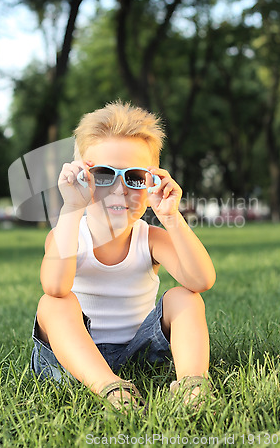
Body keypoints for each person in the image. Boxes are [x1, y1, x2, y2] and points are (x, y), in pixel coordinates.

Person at [31, 101, 216, 412]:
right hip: (74, 357)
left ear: (152, 182)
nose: (119, 189)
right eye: (103, 175)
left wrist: (171, 217)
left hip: (140, 349)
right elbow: (55, 287)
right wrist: (71, 209)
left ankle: (192, 385)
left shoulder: (151, 238)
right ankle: (109, 388)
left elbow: (201, 280)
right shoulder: (67, 232)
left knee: (185, 297)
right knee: (52, 304)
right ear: (81, 178)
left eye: (134, 177)